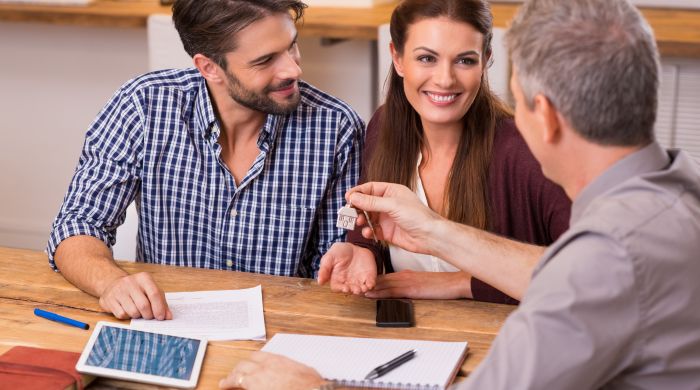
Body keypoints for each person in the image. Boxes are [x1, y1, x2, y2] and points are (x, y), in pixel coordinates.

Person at [221, 0, 700, 388]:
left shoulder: (607, 258)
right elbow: (568, 272)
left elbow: (582, 276)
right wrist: (429, 232)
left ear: (546, 117)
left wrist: (313, 388)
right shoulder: (679, 196)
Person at [46, 0, 364, 321]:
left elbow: (333, 264)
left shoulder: (336, 129)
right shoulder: (145, 105)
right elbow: (79, 224)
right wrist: (111, 282)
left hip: (282, 330)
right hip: (166, 323)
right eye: (265, 60)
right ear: (209, 67)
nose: (293, 69)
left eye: (292, 46)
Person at [318, 0, 570, 304]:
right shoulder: (383, 127)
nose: (445, 79)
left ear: (486, 60)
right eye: (427, 58)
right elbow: (372, 225)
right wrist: (362, 251)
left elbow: (589, 278)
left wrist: (460, 283)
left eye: (465, 61)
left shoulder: (525, 152)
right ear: (397, 58)